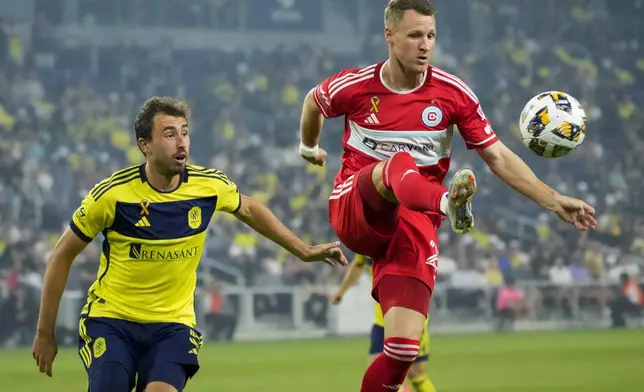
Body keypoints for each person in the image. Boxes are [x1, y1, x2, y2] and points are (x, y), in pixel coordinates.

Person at [298, 1, 596, 390]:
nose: (425, 45)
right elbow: (312, 102)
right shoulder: (355, 86)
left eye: (431, 36)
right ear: (389, 37)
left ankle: (443, 204)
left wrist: (555, 200)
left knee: (403, 352)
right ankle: (447, 201)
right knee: (397, 163)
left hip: (413, 224)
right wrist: (308, 148)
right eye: (415, 35)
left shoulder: (452, 93)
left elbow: (499, 156)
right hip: (357, 205)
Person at [31, 96, 347, 392]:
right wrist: (45, 332)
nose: (181, 142)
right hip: (112, 322)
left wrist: (304, 251)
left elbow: (249, 208)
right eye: (169, 134)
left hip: (173, 326)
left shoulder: (208, 185)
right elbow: (61, 255)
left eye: (184, 133)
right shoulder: (112, 195)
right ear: (145, 145)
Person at [331, 254, 436, 392]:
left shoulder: (405, 239)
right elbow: (358, 263)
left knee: (417, 375)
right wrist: (341, 291)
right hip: (382, 321)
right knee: (380, 376)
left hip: (410, 317)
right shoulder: (367, 240)